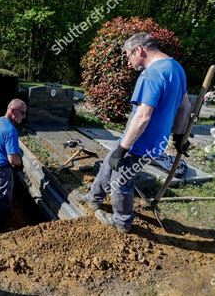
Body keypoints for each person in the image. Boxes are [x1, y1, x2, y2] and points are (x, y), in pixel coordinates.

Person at [80, 32, 191, 233]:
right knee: (108, 163)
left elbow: (143, 116)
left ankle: (122, 222)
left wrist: (123, 149)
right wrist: (179, 137)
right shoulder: (176, 68)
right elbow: (185, 106)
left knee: (120, 181)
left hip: (139, 143)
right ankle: (93, 198)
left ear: (139, 49)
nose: (128, 61)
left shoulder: (151, 74)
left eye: (128, 55)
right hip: (152, 141)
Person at [0, 99, 26, 230]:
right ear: (13, 111)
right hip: (0, 171)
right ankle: (3, 227)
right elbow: (13, 159)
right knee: (3, 200)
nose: (24, 117)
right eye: (23, 113)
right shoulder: (10, 130)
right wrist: (20, 165)